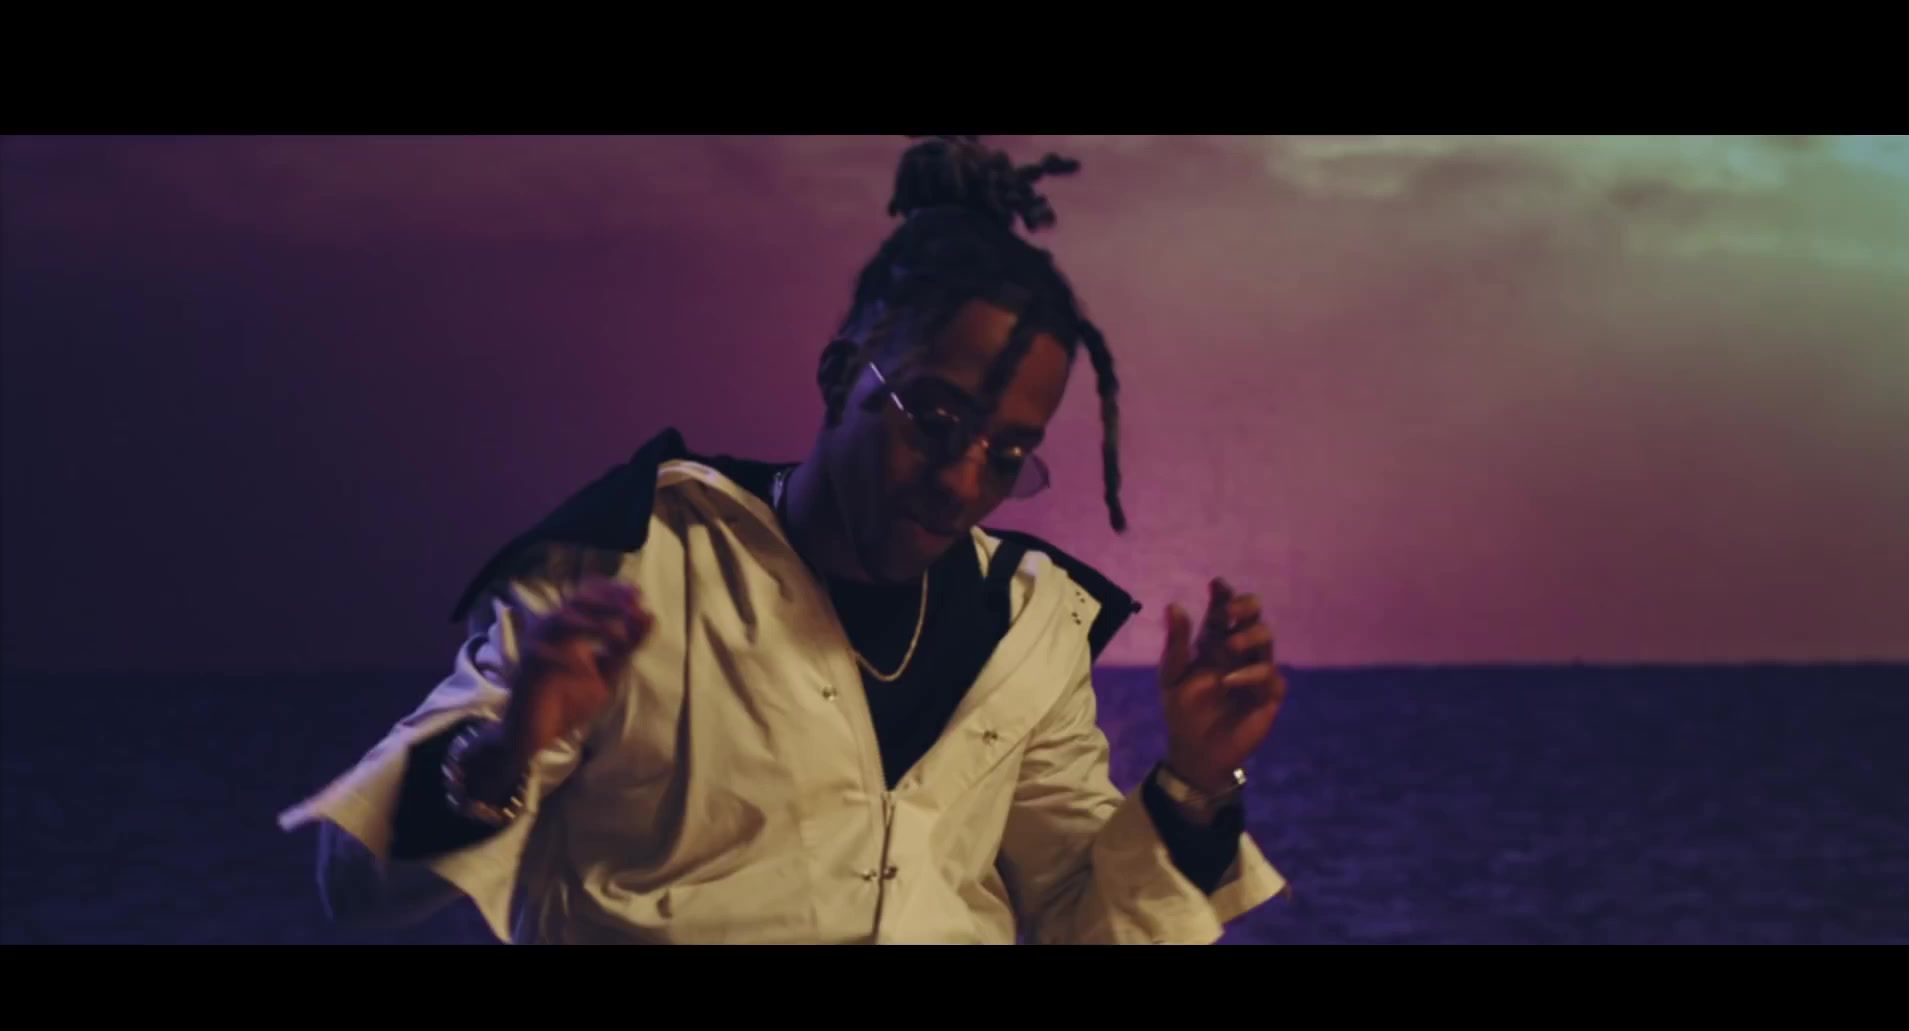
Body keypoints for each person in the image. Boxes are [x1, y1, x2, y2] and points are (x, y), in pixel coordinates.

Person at [278, 135, 1291, 945]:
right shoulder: (633, 563)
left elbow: (1080, 922)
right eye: (934, 419)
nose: (961, 480)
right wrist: (508, 748)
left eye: (1007, 452)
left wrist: (1194, 785)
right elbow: (353, 889)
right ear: (842, 375)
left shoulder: (1031, 627)